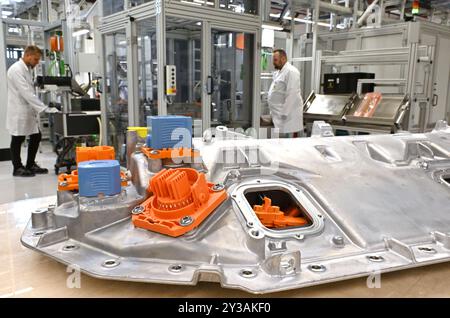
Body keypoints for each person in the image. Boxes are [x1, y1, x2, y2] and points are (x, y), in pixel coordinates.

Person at [6, 45, 57, 177]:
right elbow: (26, 92)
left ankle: (30, 165)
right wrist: (44, 108)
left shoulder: (26, 69)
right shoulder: (16, 70)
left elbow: (29, 88)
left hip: (27, 110)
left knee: (36, 135)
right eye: (35, 59)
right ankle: (17, 168)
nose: (37, 62)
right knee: (17, 138)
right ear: (28, 56)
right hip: (19, 109)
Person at [267, 49, 304, 138]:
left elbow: (292, 94)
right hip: (278, 116)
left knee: (288, 145)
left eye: (275, 60)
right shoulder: (280, 72)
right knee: (280, 142)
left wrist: (284, 114)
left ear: (283, 59)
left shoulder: (291, 72)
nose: (273, 63)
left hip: (287, 117)